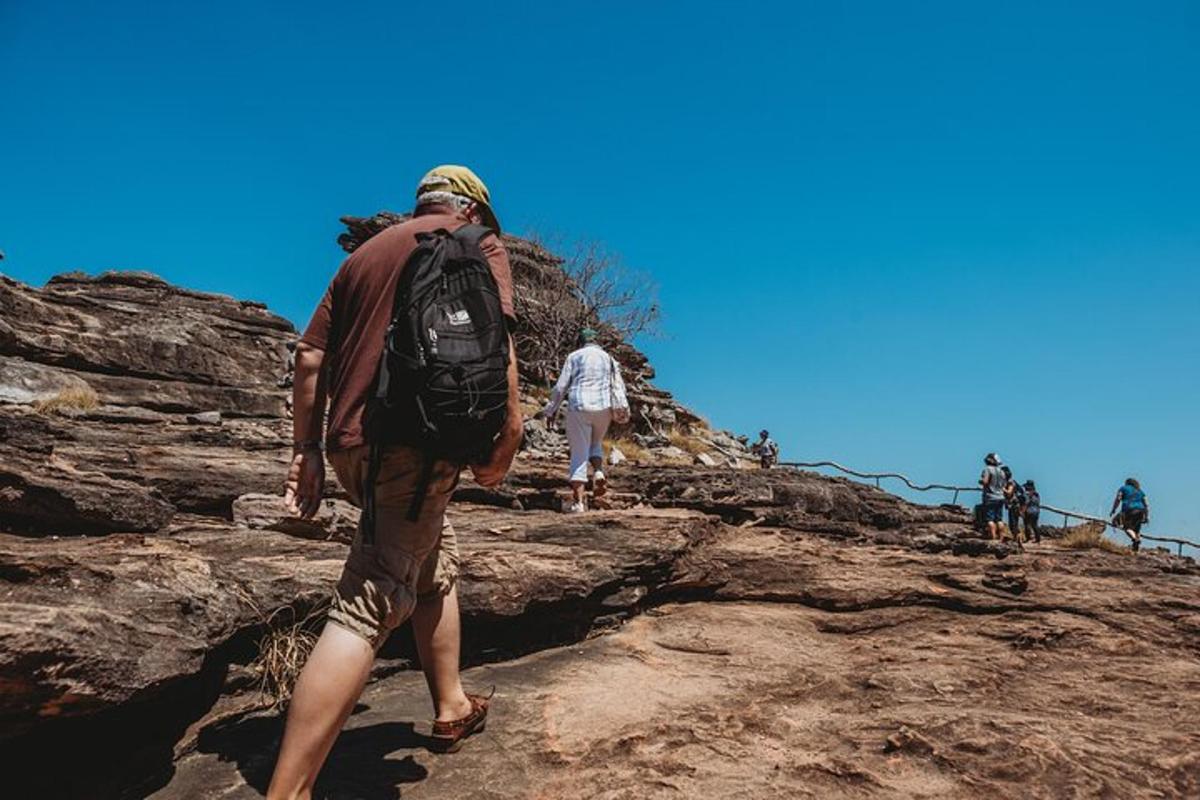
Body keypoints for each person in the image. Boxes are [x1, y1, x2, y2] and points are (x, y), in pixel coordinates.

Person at [268, 165, 522, 800]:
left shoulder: (363, 257)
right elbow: (499, 346)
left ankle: (452, 704)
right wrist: (508, 436)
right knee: (371, 599)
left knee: (433, 561)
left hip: (353, 444)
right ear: (473, 209)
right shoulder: (475, 243)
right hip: (418, 441)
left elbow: (309, 357)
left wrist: (307, 450)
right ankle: (289, 791)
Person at [535, 328, 629, 513]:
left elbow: (561, 386)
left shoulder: (574, 356)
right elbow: (619, 385)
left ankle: (578, 503)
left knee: (579, 454)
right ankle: (599, 472)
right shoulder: (609, 359)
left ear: (581, 341)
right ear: (596, 340)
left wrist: (551, 409)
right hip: (604, 408)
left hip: (579, 405)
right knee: (596, 442)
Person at [1110, 477, 1150, 553]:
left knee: (1127, 528)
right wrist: (1147, 516)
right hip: (1141, 511)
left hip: (1129, 510)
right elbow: (1146, 504)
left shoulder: (1123, 488)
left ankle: (1135, 540)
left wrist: (1113, 509)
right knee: (1136, 530)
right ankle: (1136, 549)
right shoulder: (1140, 491)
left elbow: (1118, 498)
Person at [979, 453, 1007, 541]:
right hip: (1000, 496)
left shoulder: (988, 469)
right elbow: (1004, 484)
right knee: (999, 519)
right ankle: (1001, 538)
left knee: (990, 519)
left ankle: (993, 537)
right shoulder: (1002, 471)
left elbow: (985, 482)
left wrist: (981, 481)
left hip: (990, 497)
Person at [1002, 465, 1026, 544]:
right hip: (1014, 505)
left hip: (1014, 505)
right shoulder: (1011, 481)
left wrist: (1002, 488)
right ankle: (1018, 540)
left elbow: (1009, 493)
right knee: (1013, 524)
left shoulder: (1010, 482)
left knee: (1013, 524)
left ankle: (1018, 540)